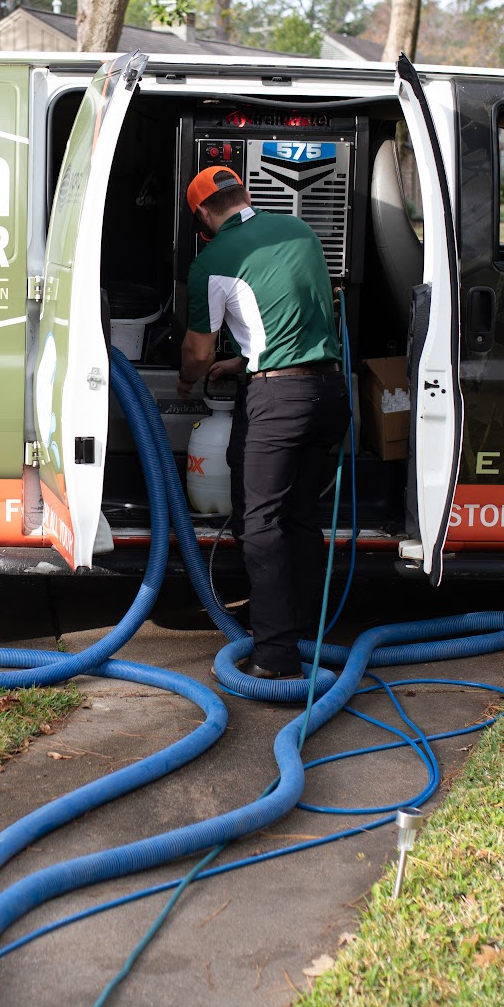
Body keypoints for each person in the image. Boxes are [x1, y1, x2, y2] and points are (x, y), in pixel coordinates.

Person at [175, 165, 348, 680]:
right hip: (329, 393)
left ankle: (274, 655)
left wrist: (191, 378)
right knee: (299, 519)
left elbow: (196, 350)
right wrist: (244, 361)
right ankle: (305, 631)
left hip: (277, 402)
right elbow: (292, 317)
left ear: (204, 214)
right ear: (245, 193)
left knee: (261, 524)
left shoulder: (213, 260)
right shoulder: (300, 230)